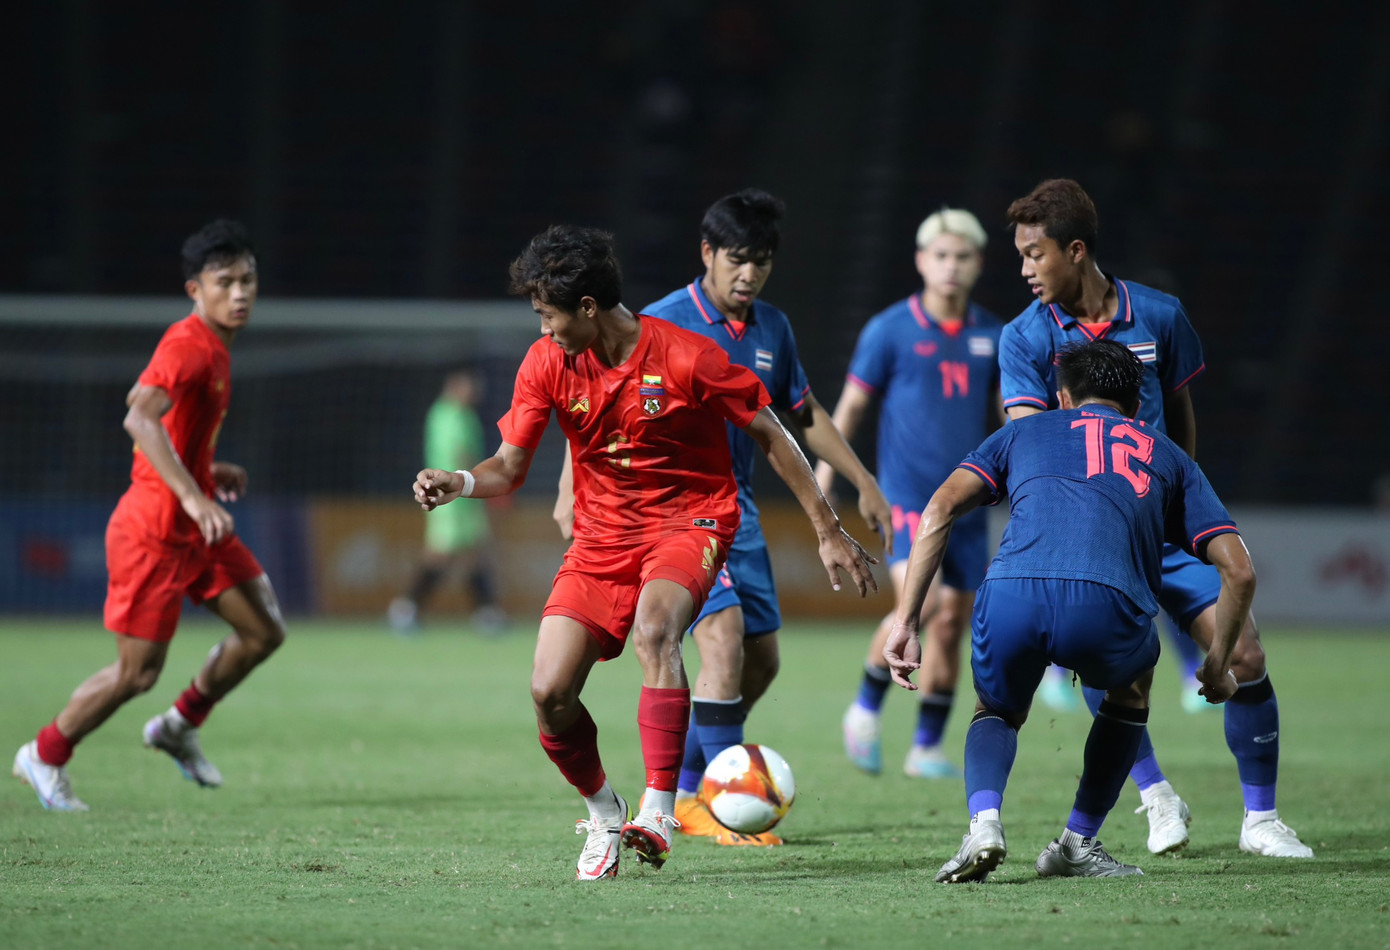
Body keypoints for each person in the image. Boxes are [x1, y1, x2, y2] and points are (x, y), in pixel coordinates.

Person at [413, 225, 876, 881]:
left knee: (657, 630)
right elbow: (509, 467)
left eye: (550, 317)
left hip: (690, 521)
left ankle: (659, 809)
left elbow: (772, 432)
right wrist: (459, 483)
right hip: (601, 538)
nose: (544, 331)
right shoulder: (547, 362)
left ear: (589, 309)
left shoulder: (688, 356)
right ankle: (606, 811)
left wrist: (828, 527)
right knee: (548, 692)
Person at [552, 189, 892, 847]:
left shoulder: (773, 329)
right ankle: (714, 803)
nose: (749, 274)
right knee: (724, 639)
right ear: (707, 253)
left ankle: (685, 786)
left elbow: (803, 415)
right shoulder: (660, 322)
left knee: (762, 663)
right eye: (738, 259)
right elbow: (591, 402)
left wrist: (862, 480)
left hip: (742, 513)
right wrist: (571, 487)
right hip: (674, 514)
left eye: (761, 261)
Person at [998, 178, 1311, 858]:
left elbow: (1182, 419)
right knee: (1107, 669)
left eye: (1033, 254)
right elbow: (1029, 442)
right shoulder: (1023, 339)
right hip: (1094, 538)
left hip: (1164, 531)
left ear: (1075, 250)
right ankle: (1155, 795)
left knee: (1247, 654)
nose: (1023, 270)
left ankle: (1262, 820)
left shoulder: (1161, 316)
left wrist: (1180, 500)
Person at [885, 338, 1256, 882]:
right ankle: (1078, 842)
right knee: (1129, 690)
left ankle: (984, 822)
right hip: (1108, 604)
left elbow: (939, 507)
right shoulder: (1167, 454)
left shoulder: (1022, 431)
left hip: (1013, 593)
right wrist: (1218, 661)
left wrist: (906, 620)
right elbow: (1240, 570)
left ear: (1061, 396)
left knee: (996, 711)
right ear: (1135, 405)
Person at [13, 219, 287, 811]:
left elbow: (167, 437)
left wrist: (208, 473)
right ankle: (44, 753)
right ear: (196, 290)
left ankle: (178, 726)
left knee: (263, 631)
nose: (240, 293)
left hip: (196, 524)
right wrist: (193, 497)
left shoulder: (216, 347)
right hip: (156, 531)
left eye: (248, 280)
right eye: (224, 282)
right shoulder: (188, 345)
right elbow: (139, 418)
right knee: (136, 674)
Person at [818, 207, 1005, 780]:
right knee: (923, 606)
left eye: (963, 256)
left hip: (969, 502)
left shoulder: (993, 335)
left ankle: (925, 747)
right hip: (906, 495)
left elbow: (1006, 417)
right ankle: (865, 710)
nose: (951, 266)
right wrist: (823, 485)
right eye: (941, 255)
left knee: (954, 622)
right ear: (922, 261)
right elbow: (847, 410)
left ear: (978, 264)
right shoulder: (888, 330)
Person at [388, 367, 506, 634]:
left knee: (474, 553)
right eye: (469, 387)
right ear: (454, 386)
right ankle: (406, 608)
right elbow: (459, 453)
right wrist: (485, 483)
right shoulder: (447, 414)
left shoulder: (462, 415)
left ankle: (487, 613)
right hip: (449, 497)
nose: (474, 393)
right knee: (440, 554)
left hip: (466, 496)